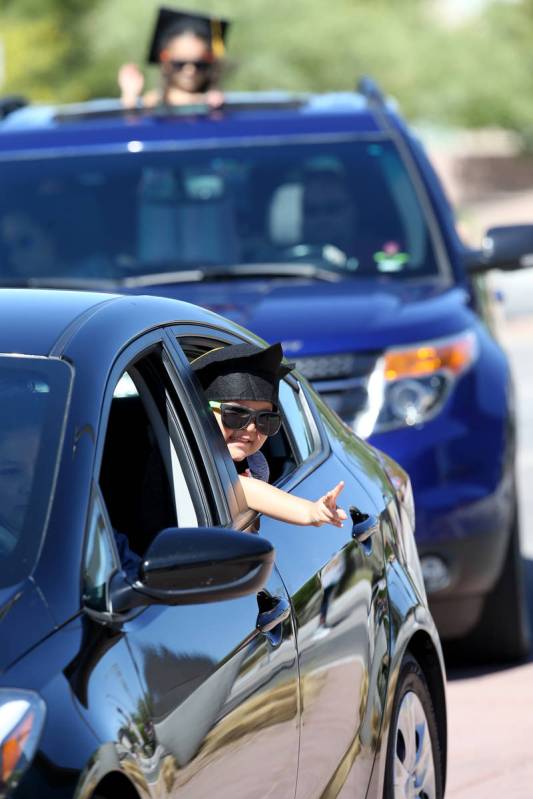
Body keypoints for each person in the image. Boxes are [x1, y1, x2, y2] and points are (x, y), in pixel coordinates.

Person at [192, 342, 347, 527]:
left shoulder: (257, 465)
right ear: (201, 411)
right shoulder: (187, 460)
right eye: (236, 415)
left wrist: (315, 512)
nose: (250, 428)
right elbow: (247, 490)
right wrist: (309, 512)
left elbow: (255, 491)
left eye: (265, 419)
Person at [118, 8, 229, 109]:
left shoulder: (221, 106)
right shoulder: (152, 102)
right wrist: (130, 98)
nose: (189, 71)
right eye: (179, 64)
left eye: (199, 64)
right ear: (165, 62)